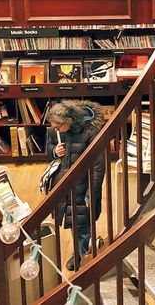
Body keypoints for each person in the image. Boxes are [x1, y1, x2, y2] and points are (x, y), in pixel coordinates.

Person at [45, 99, 105, 271]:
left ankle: (82, 255)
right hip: (62, 184)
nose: (55, 130)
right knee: (73, 222)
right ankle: (83, 252)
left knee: (82, 222)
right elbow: (48, 149)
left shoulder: (90, 132)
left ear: (69, 121)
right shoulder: (54, 131)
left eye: (58, 127)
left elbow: (98, 166)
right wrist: (54, 151)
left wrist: (91, 194)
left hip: (84, 184)